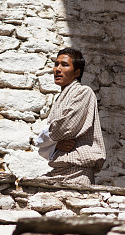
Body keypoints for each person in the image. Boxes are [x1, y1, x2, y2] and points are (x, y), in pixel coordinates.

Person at [36, 47, 106, 188]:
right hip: (59, 170)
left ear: (77, 73)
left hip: (77, 172)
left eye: (65, 65)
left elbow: (64, 128)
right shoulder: (60, 99)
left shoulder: (83, 92)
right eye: (56, 64)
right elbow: (48, 141)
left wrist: (44, 139)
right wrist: (55, 144)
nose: (58, 69)